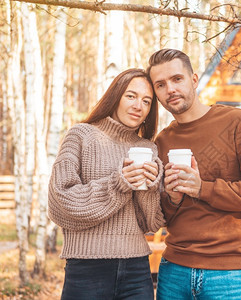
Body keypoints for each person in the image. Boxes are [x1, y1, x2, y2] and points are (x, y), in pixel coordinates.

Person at [147, 49, 241, 299]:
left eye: (177, 79)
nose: (170, 90)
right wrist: (173, 198)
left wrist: (202, 188)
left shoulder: (237, 122)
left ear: (194, 80)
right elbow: (163, 216)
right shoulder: (162, 140)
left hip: (231, 273)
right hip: (174, 271)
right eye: (161, 85)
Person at [48, 68, 165, 299]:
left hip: (137, 269)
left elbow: (151, 223)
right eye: (131, 96)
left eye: (146, 101)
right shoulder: (80, 135)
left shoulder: (148, 148)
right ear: (115, 96)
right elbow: (61, 201)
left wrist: (150, 188)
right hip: (86, 269)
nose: (138, 106)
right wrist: (118, 183)